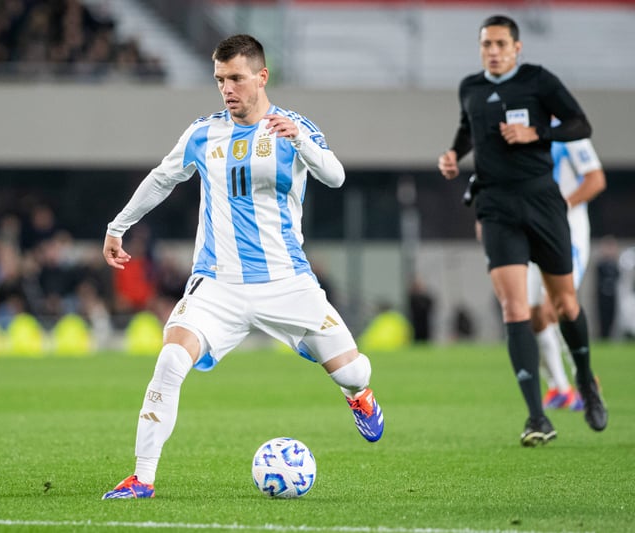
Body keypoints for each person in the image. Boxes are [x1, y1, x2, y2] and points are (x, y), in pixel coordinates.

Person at [101, 34, 384, 499]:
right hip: (217, 284)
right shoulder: (203, 134)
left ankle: (359, 396)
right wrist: (118, 226)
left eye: (235, 78)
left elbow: (335, 176)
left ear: (261, 76)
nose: (227, 89)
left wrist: (302, 142)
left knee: (353, 372)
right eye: (219, 80)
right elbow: (162, 178)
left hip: (288, 282)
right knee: (170, 360)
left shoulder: (293, 127)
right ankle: (142, 478)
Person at [437, 15, 607, 446]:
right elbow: (468, 128)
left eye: (500, 44)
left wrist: (537, 132)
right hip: (495, 206)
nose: (493, 51)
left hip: (543, 202)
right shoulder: (470, 87)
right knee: (516, 309)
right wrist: (454, 154)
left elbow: (580, 124)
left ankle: (586, 382)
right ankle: (537, 417)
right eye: (486, 44)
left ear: (517, 47)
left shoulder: (538, 81)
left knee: (564, 304)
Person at [529, 128, 606, 411]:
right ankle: (559, 388)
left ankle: (585, 382)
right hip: (534, 231)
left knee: (556, 305)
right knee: (533, 314)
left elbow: (596, 180)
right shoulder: (524, 133)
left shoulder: (569, 134)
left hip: (568, 234)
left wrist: (563, 204)